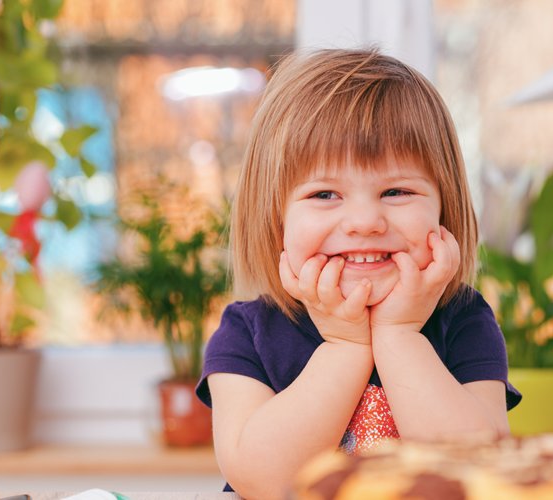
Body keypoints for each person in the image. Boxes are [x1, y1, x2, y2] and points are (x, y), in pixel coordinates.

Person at [195, 48, 521, 499]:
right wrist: (346, 345)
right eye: (325, 194)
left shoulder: (464, 319)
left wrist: (399, 336)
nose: (365, 221)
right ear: (276, 220)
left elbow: (478, 473)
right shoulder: (247, 332)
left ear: (444, 209)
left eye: (396, 190)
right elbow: (263, 481)